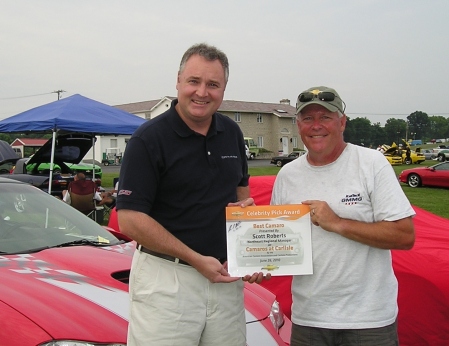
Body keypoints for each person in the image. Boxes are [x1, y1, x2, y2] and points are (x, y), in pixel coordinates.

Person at [116, 43, 267, 346]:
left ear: (224, 89)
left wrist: (250, 251)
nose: (202, 92)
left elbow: (242, 194)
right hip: (167, 280)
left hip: (225, 279)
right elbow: (130, 220)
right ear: (178, 81)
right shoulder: (148, 140)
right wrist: (195, 259)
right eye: (194, 81)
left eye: (213, 84)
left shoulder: (232, 133)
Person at [270, 86, 416, 346]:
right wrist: (255, 262)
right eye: (307, 118)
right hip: (308, 320)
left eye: (325, 117)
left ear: (342, 122)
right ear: (298, 125)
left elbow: (404, 235)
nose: (316, 126)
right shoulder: (287, 175)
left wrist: (337, 223)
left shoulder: (371, 163)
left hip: (368, 322)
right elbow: (276, 244)